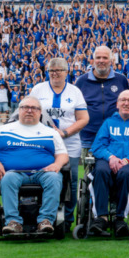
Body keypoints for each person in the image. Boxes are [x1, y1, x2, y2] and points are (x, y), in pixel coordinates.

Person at [0, 96, 68, 235]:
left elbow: (63, 155)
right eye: (25, 107)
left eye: (34, 108)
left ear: (40, 112)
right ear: (19, 110)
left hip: (43, 172)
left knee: (54, 178)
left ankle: (45, 221)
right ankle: (13, 222)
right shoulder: (3, 129)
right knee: (8, 179)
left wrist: (57, 164)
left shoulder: (51, 132)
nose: (29, 111)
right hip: (13, 173)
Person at [29, 57, 89, 220]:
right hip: (42, 144)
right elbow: (27, 113)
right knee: (41, 177)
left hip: (69, 144)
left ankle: (67, 218)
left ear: (66, 72)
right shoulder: (38, 89)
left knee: (72, 180)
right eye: (51, 71)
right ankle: (42, 216)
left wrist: (65, 132)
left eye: (58, 70)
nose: (55, 74)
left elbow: (83, 118)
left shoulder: (74, 91)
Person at [88, 90, 129, 237]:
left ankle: (120, 219)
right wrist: (111, 158)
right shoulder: (108, 123)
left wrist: (127, 160)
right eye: (123, 100)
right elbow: (97, 147)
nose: (126, 103)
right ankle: (101, 218)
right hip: (108, 160)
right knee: (100, 171)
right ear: (117, 104)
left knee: (126, 173)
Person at [76, 46, 129, 152]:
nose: (101, 61)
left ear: (111, 60)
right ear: (93, 60)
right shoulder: (81, 81)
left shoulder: (121, 80)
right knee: (90, 168)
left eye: (105, 58)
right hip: (89, 138)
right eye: (98, 57)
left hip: (116, 137)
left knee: (117, 167)